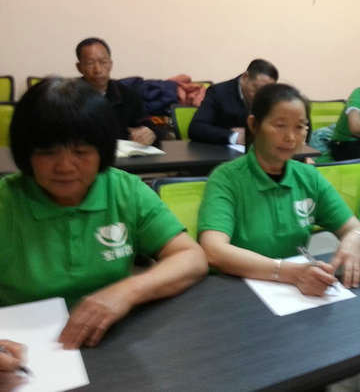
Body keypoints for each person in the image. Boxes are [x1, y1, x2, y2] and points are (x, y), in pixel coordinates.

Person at [0, 78, 208, 349]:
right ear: (26, 154)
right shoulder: (6, 201)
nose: (65, 167)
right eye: (48, 153)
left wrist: (127, 291)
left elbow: (191, 257)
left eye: (80, 151)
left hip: (111, 339)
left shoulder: (124, 189)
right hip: (22, 348)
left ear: (102, 151)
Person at [198, 83, 360, 295]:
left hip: (293, 293)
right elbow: (213, 250)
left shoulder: (308, 177)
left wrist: (353, 240)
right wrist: (289, 273)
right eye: (280, 125)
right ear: (253, 125)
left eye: (299, 127)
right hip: (235, 292)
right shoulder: (226, 178)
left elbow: (359, 231)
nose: (290, 137)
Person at [76, 37, 157, 145]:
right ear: (79, 67)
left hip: (122, 155)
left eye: (103, 62)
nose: (98, 70)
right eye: (90, 63)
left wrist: (150, 133)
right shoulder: (68, 97)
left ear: (110, 64)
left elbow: (148, 125)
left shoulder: (127, 95)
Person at [188, 59, 279, 145]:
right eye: (256, 88)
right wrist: (233, 136)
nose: (260, 96)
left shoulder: (269, 97)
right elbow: (196, 128)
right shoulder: (218, 92)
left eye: (266, 91)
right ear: (245, 77)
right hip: (221, 152)